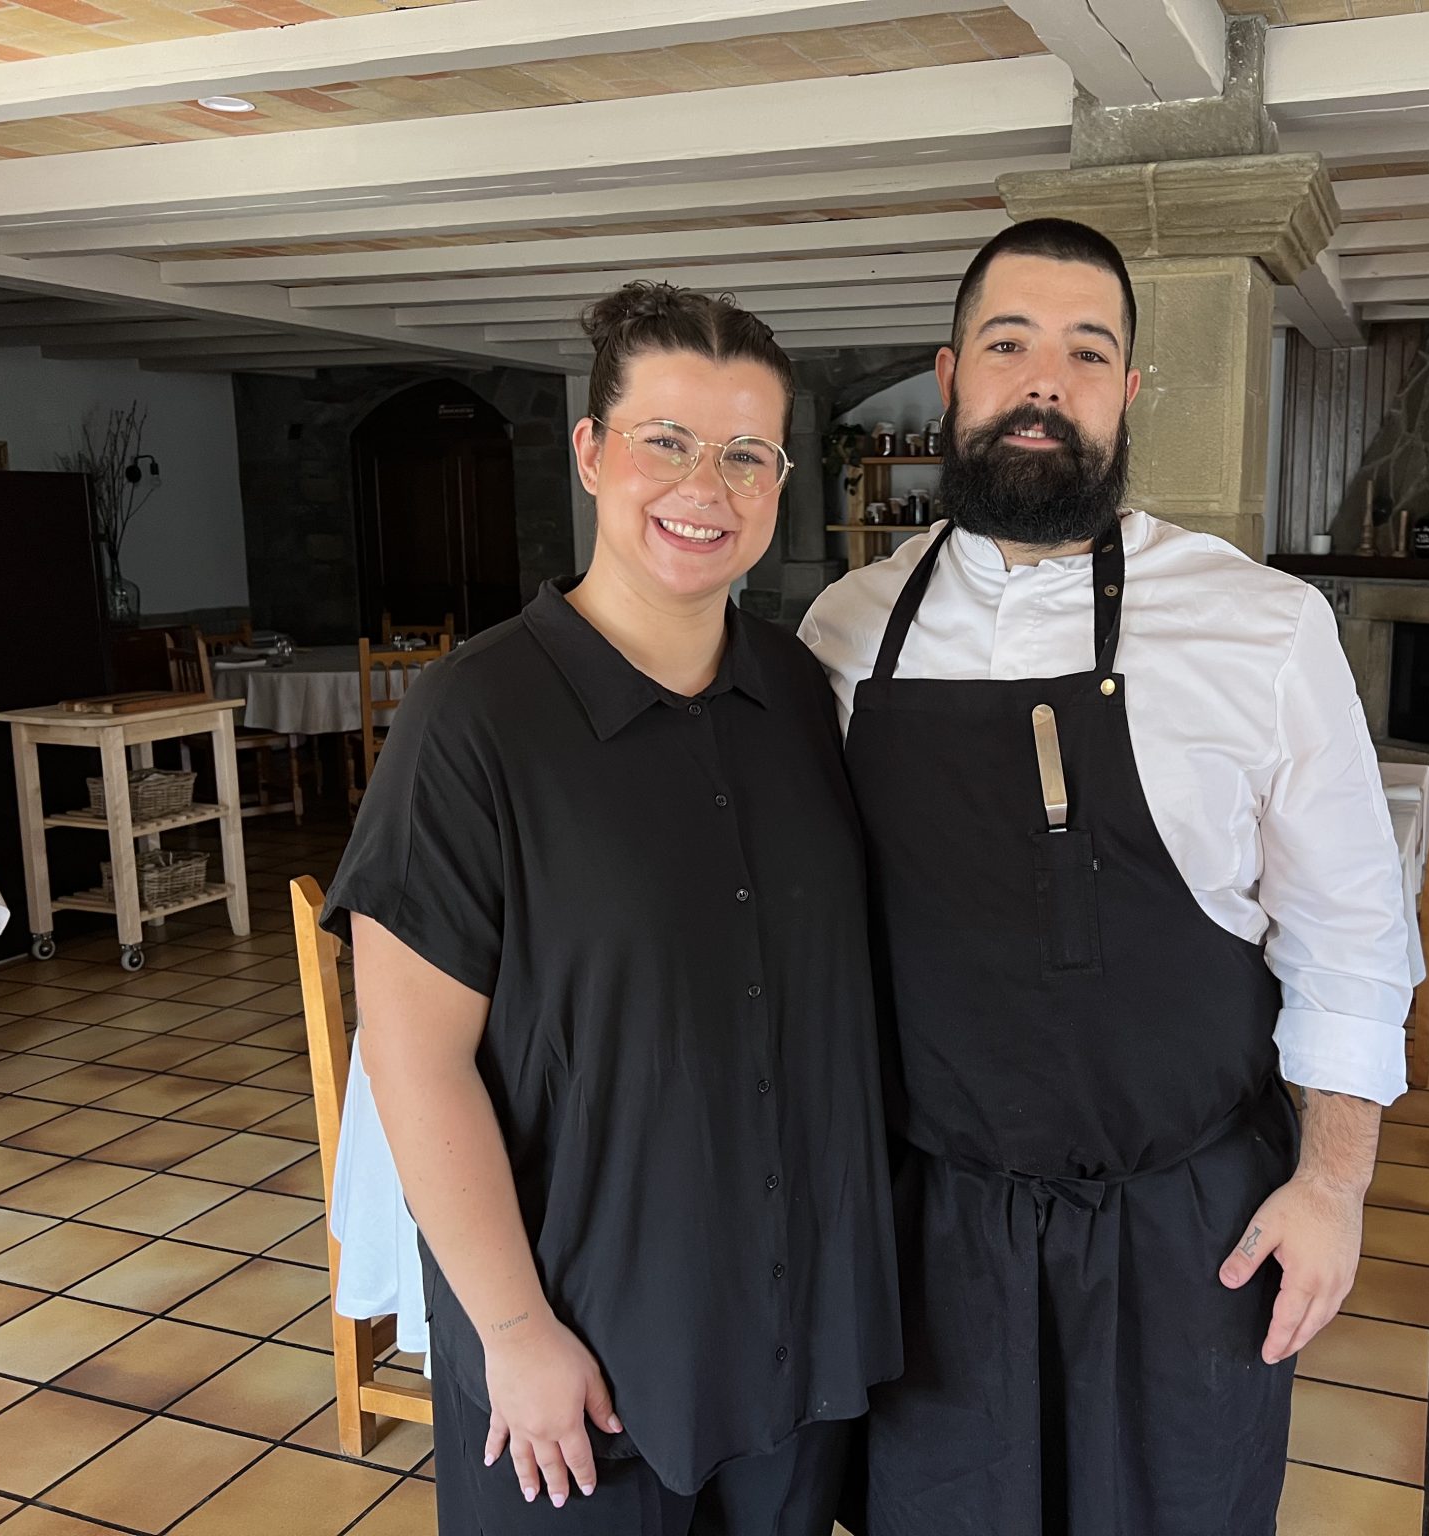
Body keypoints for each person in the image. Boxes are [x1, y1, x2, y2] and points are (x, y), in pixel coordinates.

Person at [799, 218, 1413, 1536]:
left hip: (1187, 1232)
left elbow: (1352, 930)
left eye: (1089, 352)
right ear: (952, 373)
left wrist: (1333, 1185)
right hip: (933, 1234)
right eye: (1010, 344)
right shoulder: (846, 632)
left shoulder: (1262, 625)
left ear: (1128, 394)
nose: (1046, 381)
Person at [323, 281, 901, 1535]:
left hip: (792, 1336)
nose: (708, 486)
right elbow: (414, 1066)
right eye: (667, 442)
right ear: (591, 453)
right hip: (581, 1367)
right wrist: (517, 1332)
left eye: (747, 454)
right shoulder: (472, 722)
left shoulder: (802, 698)